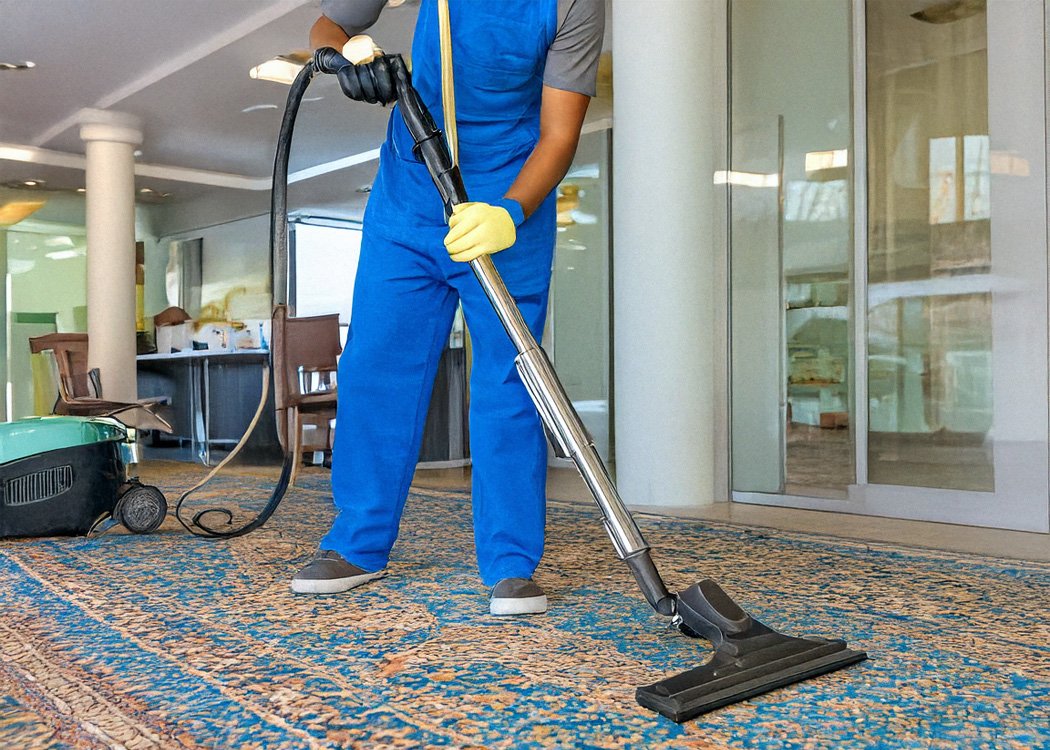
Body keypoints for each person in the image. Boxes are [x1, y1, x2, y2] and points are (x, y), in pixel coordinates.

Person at [292, 0, 605, 616]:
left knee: (509, 382)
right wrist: (349, 53)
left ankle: (511, 562)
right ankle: (358, 542)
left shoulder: (574, 3)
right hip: (408, 198)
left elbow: (560, 133)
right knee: (374, 368)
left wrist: (509, 213)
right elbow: (328, 26)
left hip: (505, 201)